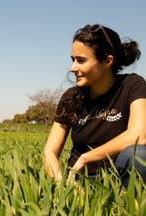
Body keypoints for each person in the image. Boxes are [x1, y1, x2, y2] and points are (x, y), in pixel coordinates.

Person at [43, 23, 146, 187]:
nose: (72, 68)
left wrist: (87, 157)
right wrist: (63, 186)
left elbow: (139, 136)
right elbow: (49, 152)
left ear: (107, 61)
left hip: (118, 179)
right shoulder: (70, 97)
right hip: (80, 181)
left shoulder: (132, 85)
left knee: (138, 154)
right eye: (73, 59)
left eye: (81, 60)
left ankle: (132, 207)